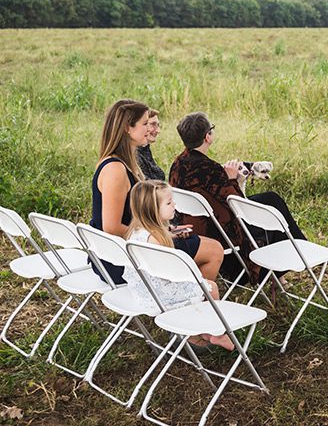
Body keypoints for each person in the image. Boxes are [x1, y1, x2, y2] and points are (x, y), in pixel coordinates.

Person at [168, 112, 306, 283]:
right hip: (222, 232)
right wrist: (233, 178)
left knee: (269, 199)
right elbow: (237, 205)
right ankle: (298, 251)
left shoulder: (178, 163)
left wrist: (226, 174)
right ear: (207, 137)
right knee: (272, 207)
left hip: (197, 226)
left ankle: (297, 248)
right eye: (212, 129)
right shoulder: (210, 169)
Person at [124, 180, 231, 349]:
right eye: (169, 202)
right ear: (153, 209)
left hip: (144, 291)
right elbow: (175, 273)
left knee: (202, 284)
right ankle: (215, 332)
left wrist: (169, 233)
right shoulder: (157, 240)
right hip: (161, 294)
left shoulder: (137, 232)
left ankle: (199, 330)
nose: (174, 204)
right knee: (210, 287)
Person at [90, 99, 150, 283]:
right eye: (145, 123)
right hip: (117, 260)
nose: (150, 129)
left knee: (203, 248)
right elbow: (112, 227)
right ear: (127, 128)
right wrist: (152, 237)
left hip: (128, 247)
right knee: (212, 251)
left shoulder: (125, 162)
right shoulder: (115, 168)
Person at [136, 109, 166, 181]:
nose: (158, 131)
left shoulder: (145, 149)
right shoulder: (135, 155)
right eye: (153, 124)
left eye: (158, 125)